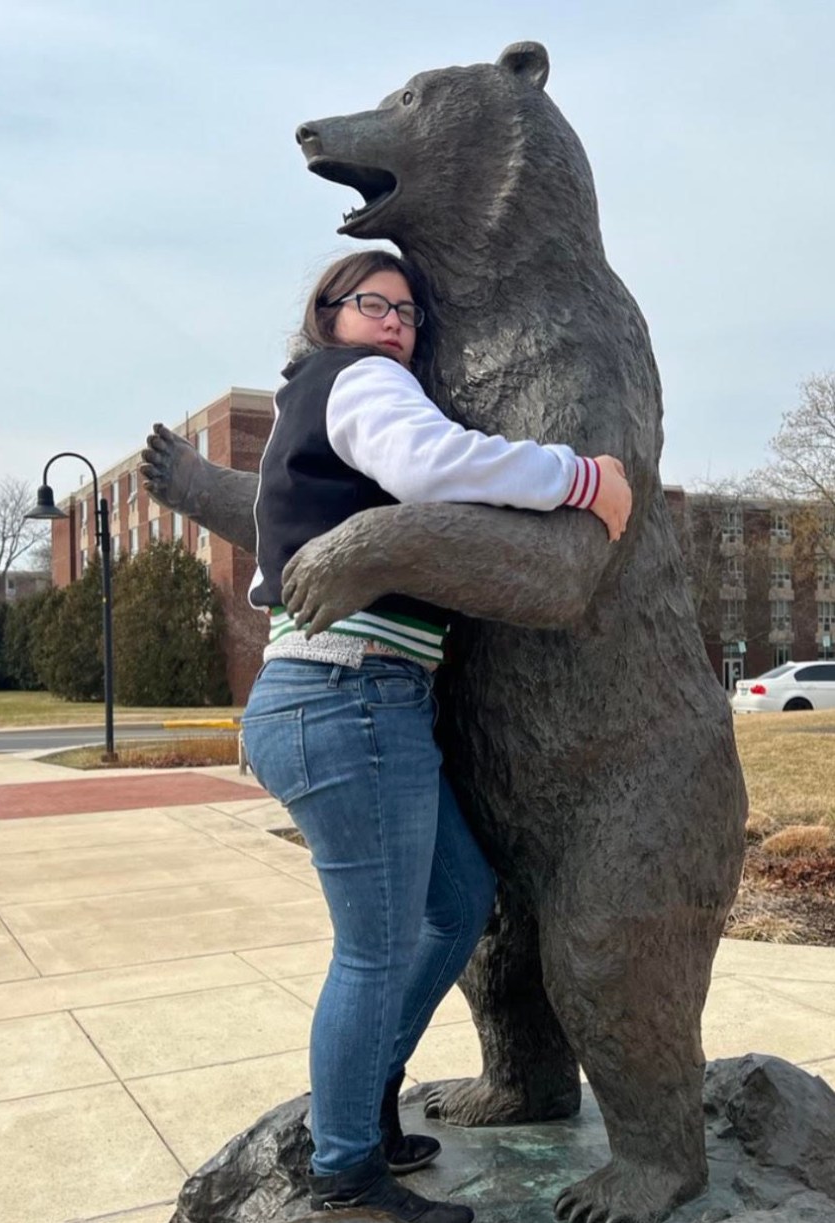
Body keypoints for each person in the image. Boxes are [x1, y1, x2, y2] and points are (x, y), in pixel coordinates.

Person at [238, 249, 632, 1223]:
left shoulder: (307, 407)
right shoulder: (358, 380)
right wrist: (583, 476)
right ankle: (346, 1175)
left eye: (409, 312)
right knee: (371, 949)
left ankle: (364, 1098)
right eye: (374, 303)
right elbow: (429, 464)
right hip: (351, 697)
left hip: (347, 699)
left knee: (456, 902)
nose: (396, 323)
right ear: (328, 313)